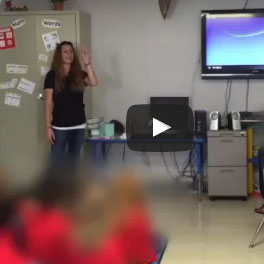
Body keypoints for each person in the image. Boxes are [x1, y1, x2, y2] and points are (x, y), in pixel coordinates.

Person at [44, 41, 97, 165]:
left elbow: (93, 82)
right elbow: (48, 102)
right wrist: (48, 127)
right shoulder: (52, 75)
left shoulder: (79, 74)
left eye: (71, 51)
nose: (69, 54)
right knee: (56, 163)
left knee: (73, 162)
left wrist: (87, 63)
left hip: (79, 125)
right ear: (59, 55)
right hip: (60, 126)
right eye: (65, 51)